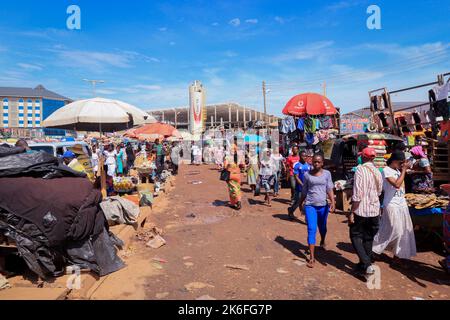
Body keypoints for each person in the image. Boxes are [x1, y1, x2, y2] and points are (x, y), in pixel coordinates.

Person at [372, 151, 417, 264]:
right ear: (394, 161)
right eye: (401, 162)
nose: (402, 164)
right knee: (393, 230)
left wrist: (404, 170)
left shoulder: (398, 171)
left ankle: (397, 256)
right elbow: (397, 185)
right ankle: (374, 249)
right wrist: (404, 170)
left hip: (401, 204)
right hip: (391, 205)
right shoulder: (387, 171)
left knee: (403, 232)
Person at [349, 147, 383, 277]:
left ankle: (367, 265)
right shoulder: (377, 171)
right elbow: (380, 192)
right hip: (374, 210)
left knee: (355, 235)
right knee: (368, 238)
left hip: (361, 210)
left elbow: (357, 194)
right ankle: (363, 266)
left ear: (363, 157)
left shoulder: (360, 170)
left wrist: (352, 211)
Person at [299, 154, 335, 268]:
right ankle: (312, 258)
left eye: (318, 162)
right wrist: (300, 203)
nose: (316, 164)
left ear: (322, 163)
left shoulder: (327, 174)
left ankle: (323, 240)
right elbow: (304, 191)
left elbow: (329, 188)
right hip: (310, 205)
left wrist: (333, 202)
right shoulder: (307, 175)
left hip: (323, 205)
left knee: (322, 227)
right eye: (314, 162)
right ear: (312, 162)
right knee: (311, 229)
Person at [288, 151, 311, 221]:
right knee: (298, 202)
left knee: (308, 202)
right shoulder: (297, 165)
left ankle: (307, 218)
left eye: (306, 156)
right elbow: (296, 177)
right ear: (300, 157)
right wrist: (302, 185)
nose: (305, 157)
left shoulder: (309, 165)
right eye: (303, 156)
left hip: (308, 187)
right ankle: (291, 210)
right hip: (299, 188)